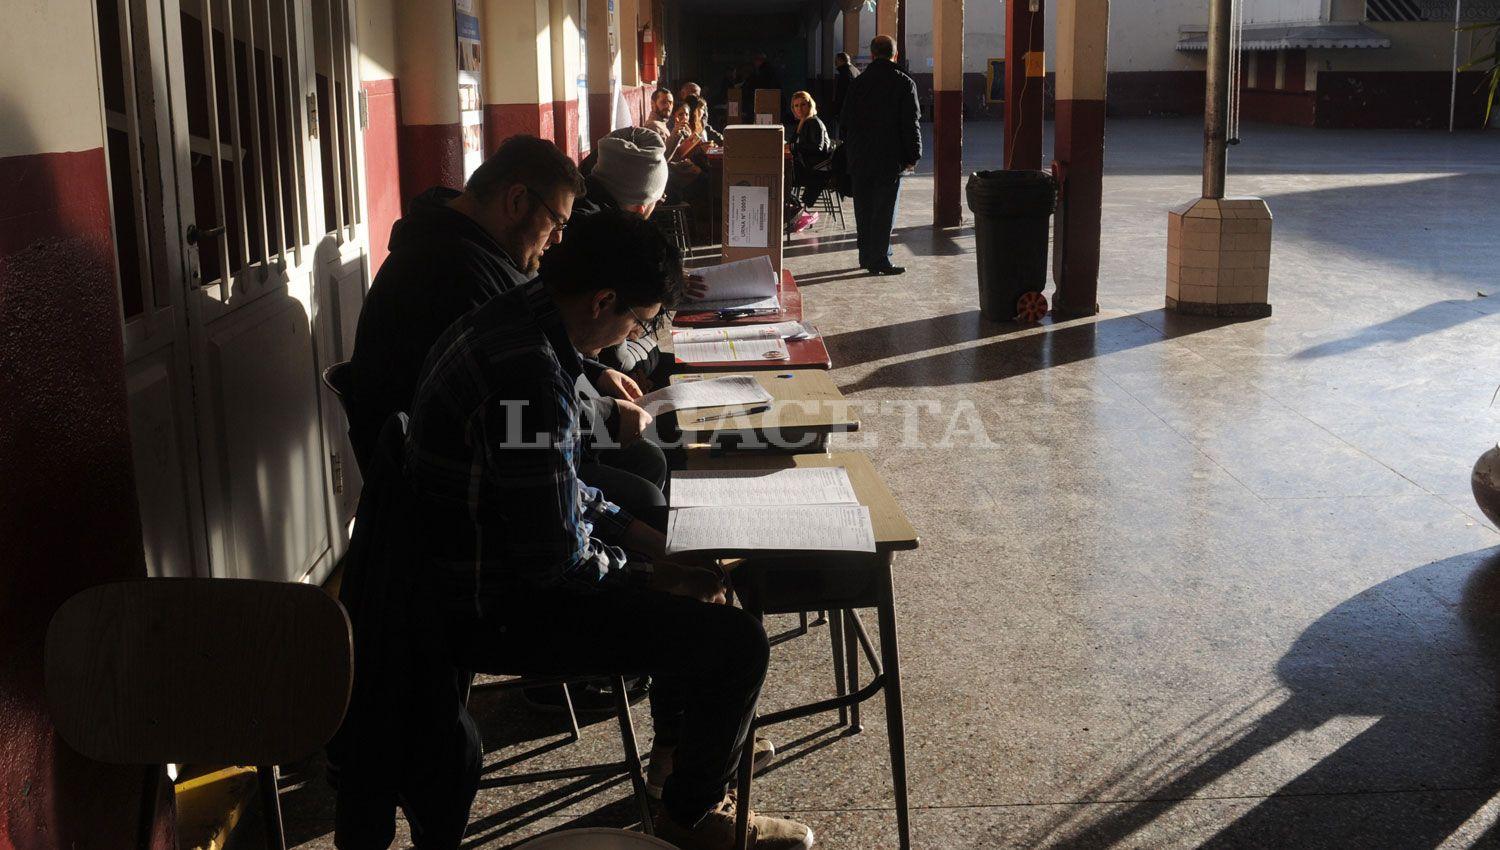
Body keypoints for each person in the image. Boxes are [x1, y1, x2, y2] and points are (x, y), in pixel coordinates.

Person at [406, 210, 814, 850]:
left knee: (680, 534)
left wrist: (658, 545)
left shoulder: (526, 320)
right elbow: (558, 562)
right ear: (603, 300)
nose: (634, 333)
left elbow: (564, 487)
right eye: (637, 319)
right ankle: (694, 818)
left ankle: (677, 754)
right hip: (494, 603)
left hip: (492, 555)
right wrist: (659, 576)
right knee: (735, 646)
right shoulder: (530, 372)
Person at [839, 35, 920, 276]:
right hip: (889, 157)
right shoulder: (904, 83)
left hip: (860, 157)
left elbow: (844, 121)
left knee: (863, 208)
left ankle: (865, 256)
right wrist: (913, 154)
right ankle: (880, 259)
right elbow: (910, 123)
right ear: (895, 55)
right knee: (884, 209)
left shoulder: (858, 83)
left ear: (872, 55)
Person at [786, 91, 832, 234]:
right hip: (809, 169)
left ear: (809, 105)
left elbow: (817, 148)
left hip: (817, 171)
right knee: (784, 175)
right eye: (796, 106)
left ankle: (795, 210)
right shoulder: (803, 122)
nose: (799, 109)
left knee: (783, 177)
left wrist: (792, 147)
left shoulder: (812, 122)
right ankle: (795, 209)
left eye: (803, 105)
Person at [830, 52, 858, 139]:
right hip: (855, 111)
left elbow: (841, 94)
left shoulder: (844, 74)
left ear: (841, 61)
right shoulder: (855, 71)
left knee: (844, 138)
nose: (835, 63)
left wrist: (837, 111)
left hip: (846, 112)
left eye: (836, 60)